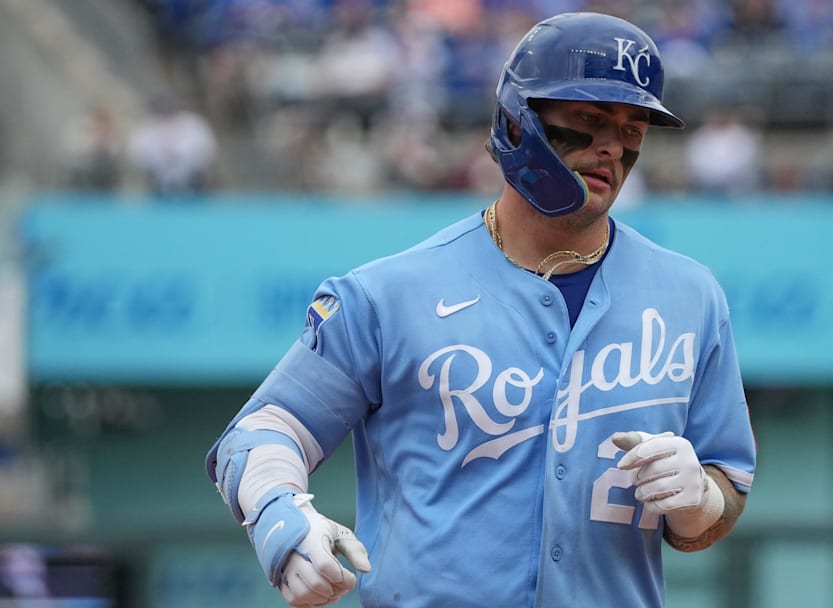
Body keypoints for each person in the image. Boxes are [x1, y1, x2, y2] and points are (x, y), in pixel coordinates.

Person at [204, 12, 756, 608]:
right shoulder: (389, 294)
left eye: (633, 128)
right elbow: (263, 430)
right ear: (519, 124)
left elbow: (727, 492)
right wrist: (282, 519)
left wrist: (702, 500)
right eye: (590, 120)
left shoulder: (691, 296)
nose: (612, 147)